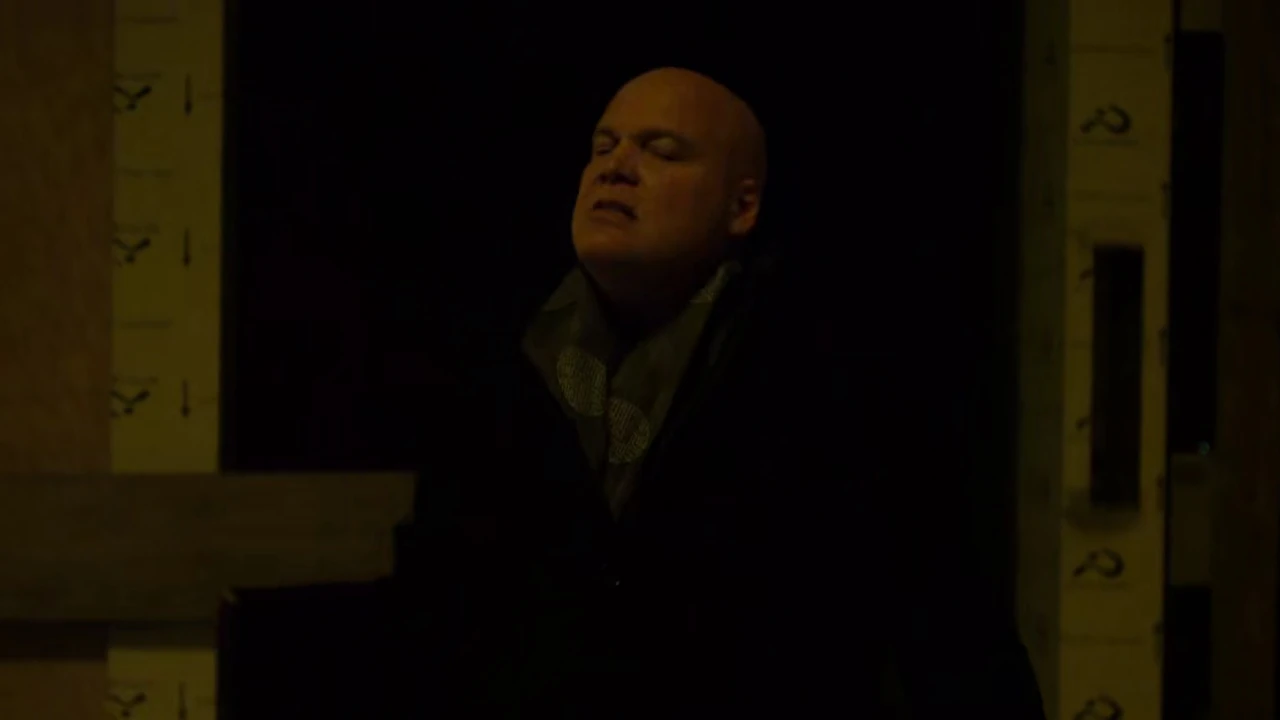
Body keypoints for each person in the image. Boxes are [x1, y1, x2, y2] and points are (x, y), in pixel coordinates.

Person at [394, 66, 1045, 717]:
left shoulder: (831, 386)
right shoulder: (501, 369)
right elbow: (435, 617)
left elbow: (950, 624)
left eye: (661, 151)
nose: (616, 168)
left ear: (742, 207)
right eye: (603, 146)